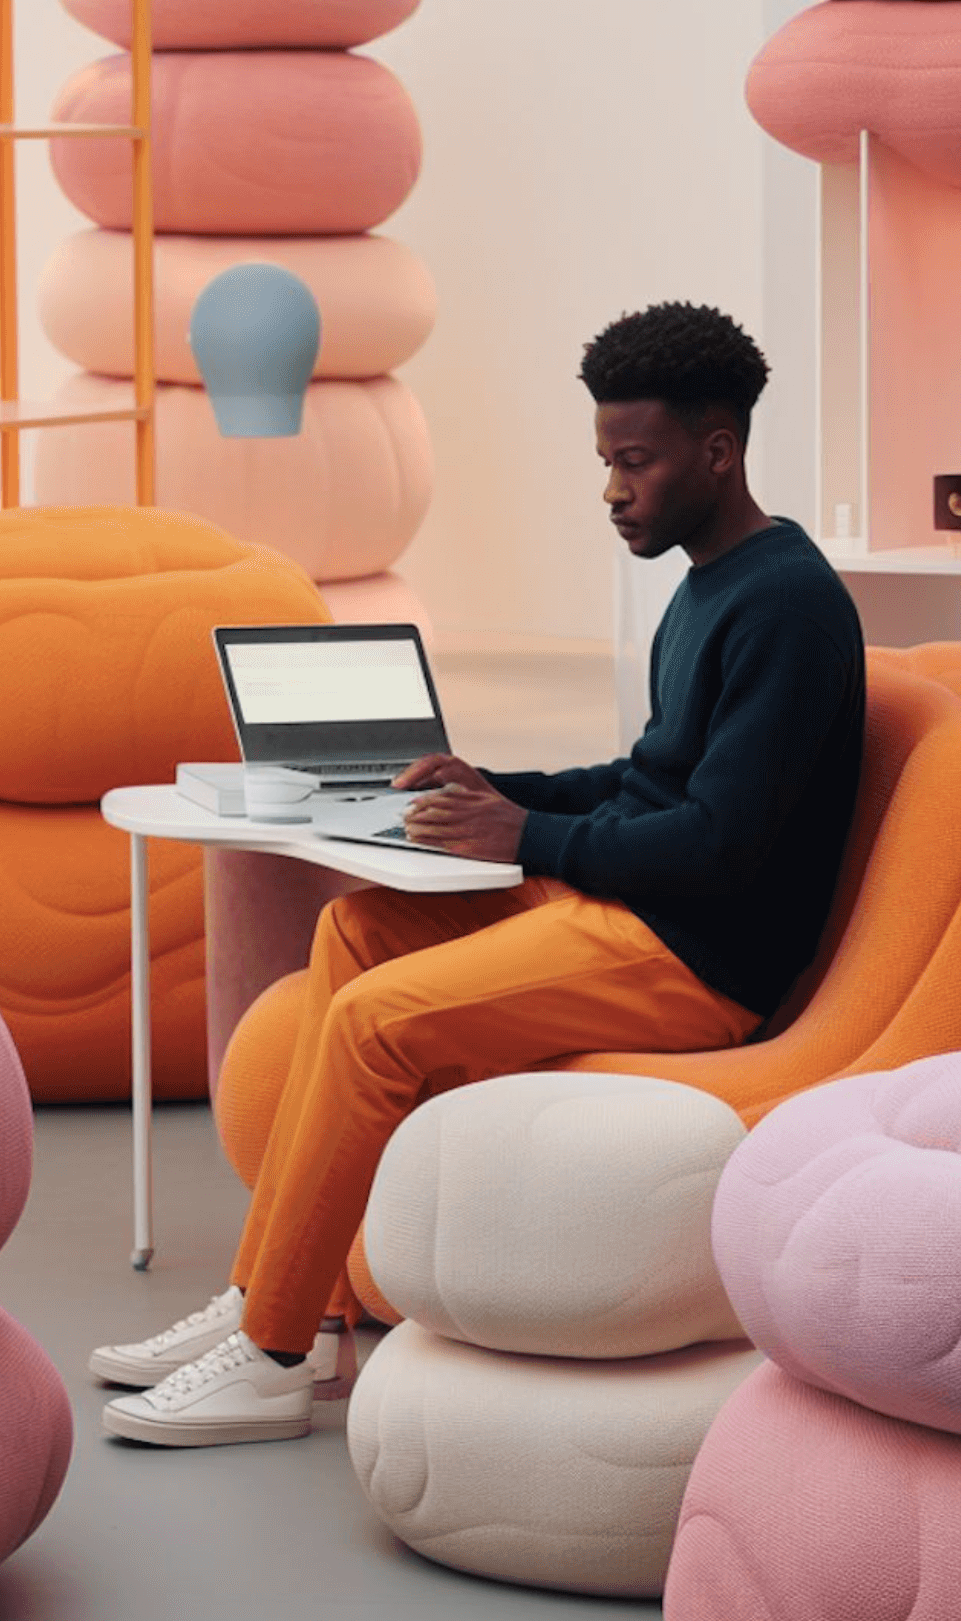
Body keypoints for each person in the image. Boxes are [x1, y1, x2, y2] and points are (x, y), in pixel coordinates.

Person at [95, 300, 867, 1447]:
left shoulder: (789, 608)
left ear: (718, 449)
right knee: (354, 932)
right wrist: (497, 785)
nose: (612, 489)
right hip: (633, 901)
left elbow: (720, 846)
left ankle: (268, 1358)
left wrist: (521, 839)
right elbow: (647, 775)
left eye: (636, 461)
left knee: (372, 1022)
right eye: (604, 461)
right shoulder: (708, 584)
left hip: (696, 954)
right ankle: (281, 1302)